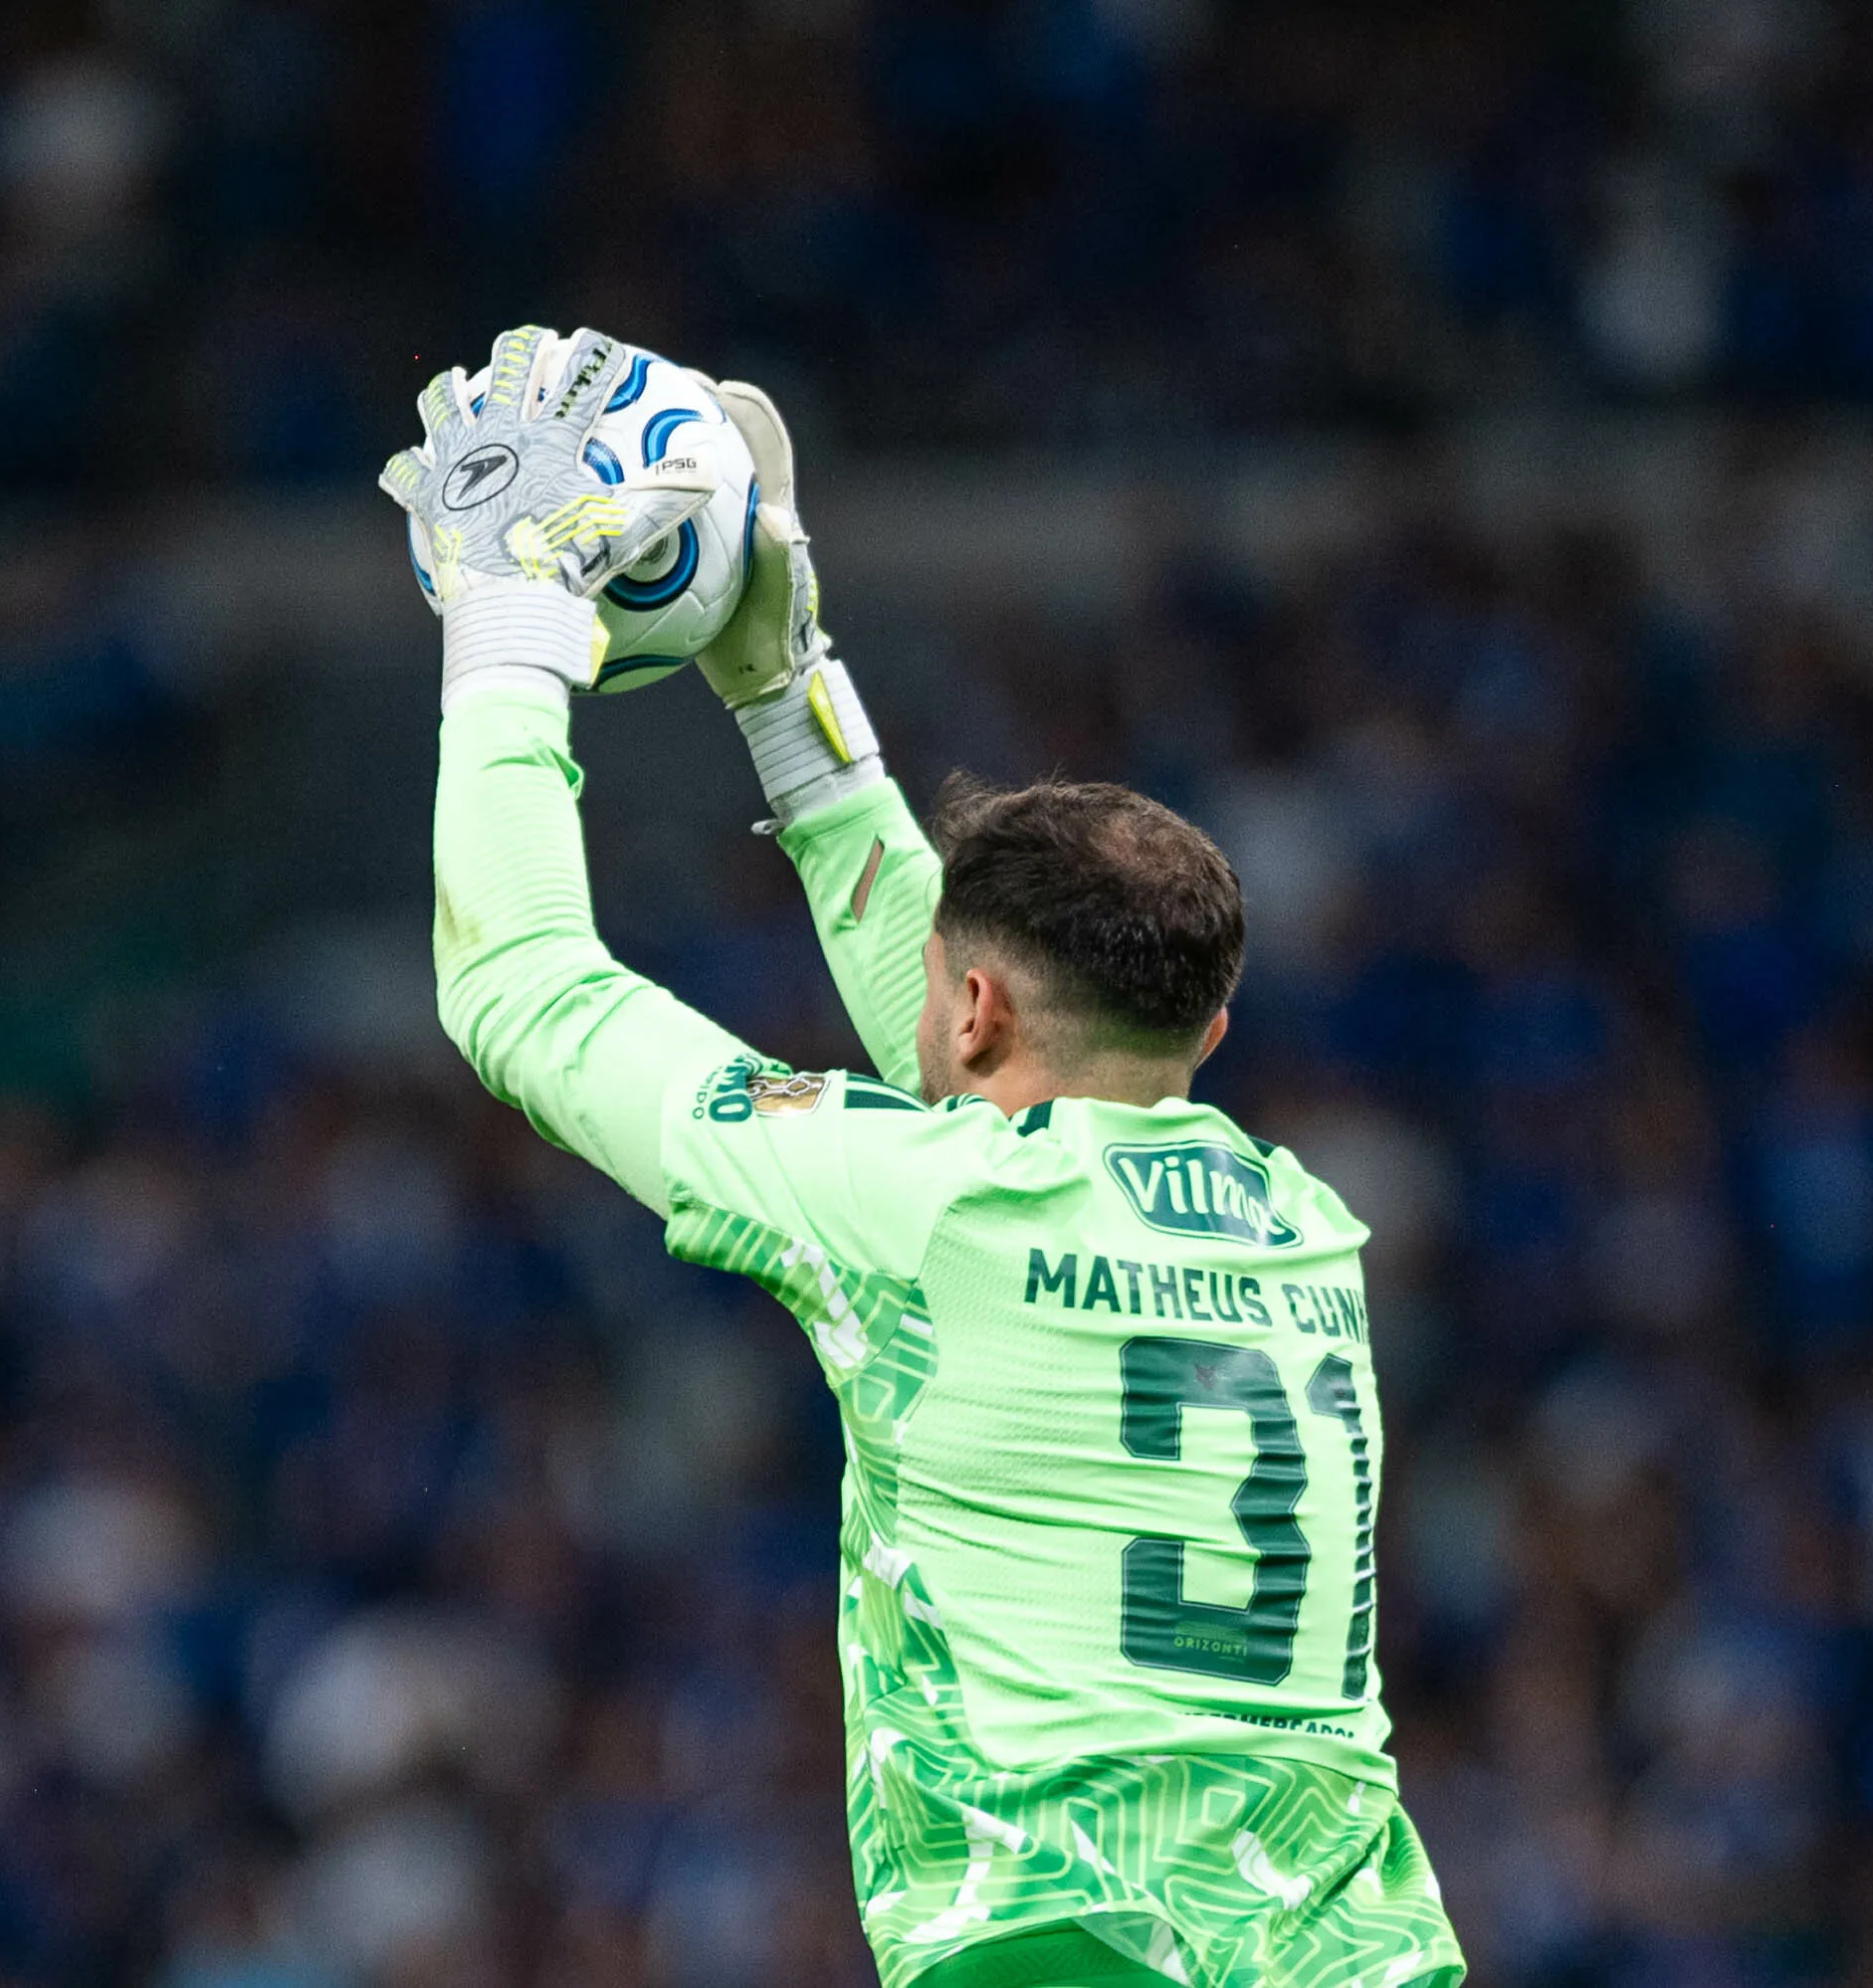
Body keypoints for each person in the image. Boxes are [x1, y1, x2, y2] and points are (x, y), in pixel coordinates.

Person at [381, 326, 1465, 1988]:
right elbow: (976, 1050)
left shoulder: (920, 1203)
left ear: (971, 1008)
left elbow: (520, 987)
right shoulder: (1301, 1222)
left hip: (1068, 1956)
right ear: (1208, 1029)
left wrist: (508, 634)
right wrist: (787, 689)